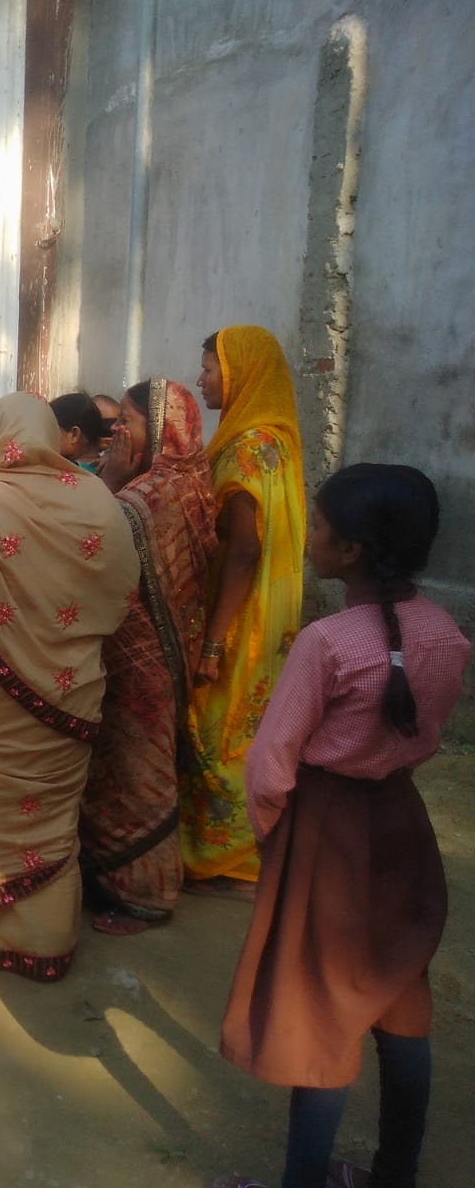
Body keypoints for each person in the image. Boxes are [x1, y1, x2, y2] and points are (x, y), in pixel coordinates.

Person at [213, 465, 469, 1188]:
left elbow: (270, 767)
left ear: (351, 550)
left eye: (319, 527)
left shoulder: (326, 642)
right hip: (401, 822)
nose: (310, 538)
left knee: (318, 1015)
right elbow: (425, 735)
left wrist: (277, 842)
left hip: (326, 831)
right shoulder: (448, 635)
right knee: (402, 999)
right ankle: (394, 1173)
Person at [0, 393, 137, 981]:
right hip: (68, 687)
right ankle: (46, 938)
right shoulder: (97, 501)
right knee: (48, 821)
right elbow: (122, 592)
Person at [80, 379, 217, 934]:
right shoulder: (191, 483)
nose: (117, 431)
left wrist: (109, 483)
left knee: (140, 768)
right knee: (125, 763)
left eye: (128, 421)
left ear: (160, 429)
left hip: (146, 660)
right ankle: (112, 873)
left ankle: (146, 893)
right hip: (151, 652)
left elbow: (90, 541)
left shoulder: (151, 495)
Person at [180, 326, 306, 893]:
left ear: (241, 373)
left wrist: (212, 641)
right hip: (263, 616)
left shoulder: (249, 449)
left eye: (210, 368)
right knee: (250, 726)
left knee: (220, 728)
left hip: (238, 618)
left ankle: (228, 856)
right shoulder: (275, 442)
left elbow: (244, 549)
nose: (201, 379)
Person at [49, 391, 109, 473]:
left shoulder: (66, 472)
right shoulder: (109, 466)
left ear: (74, 434)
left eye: (51, 430)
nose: (45, 438)